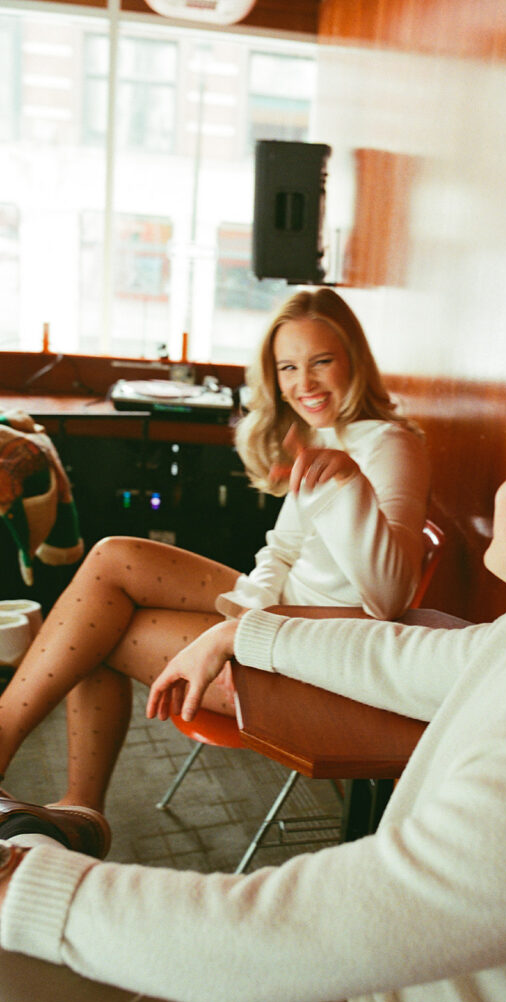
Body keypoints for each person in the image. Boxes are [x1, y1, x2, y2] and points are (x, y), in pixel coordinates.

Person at [1, 363, 506, 1002]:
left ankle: (33, 839)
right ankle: (41, 832)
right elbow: (402, 653)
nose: (502, 489)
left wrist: (17, 885)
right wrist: (242, 636)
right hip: (373, 983)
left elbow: (255, 945)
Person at [0, 287, 430, 822]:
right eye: (288, 367)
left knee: (94, 631)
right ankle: (59, 793)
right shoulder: (329, 434)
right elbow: (284, 548)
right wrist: (241, 617)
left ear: (355, 362)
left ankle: (80, 809)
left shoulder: (389, 445)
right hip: (278, 616)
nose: (304, 384)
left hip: (319, 658)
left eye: (322, 362)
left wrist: (347, 484)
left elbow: (389, 598)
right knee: (111, 558)